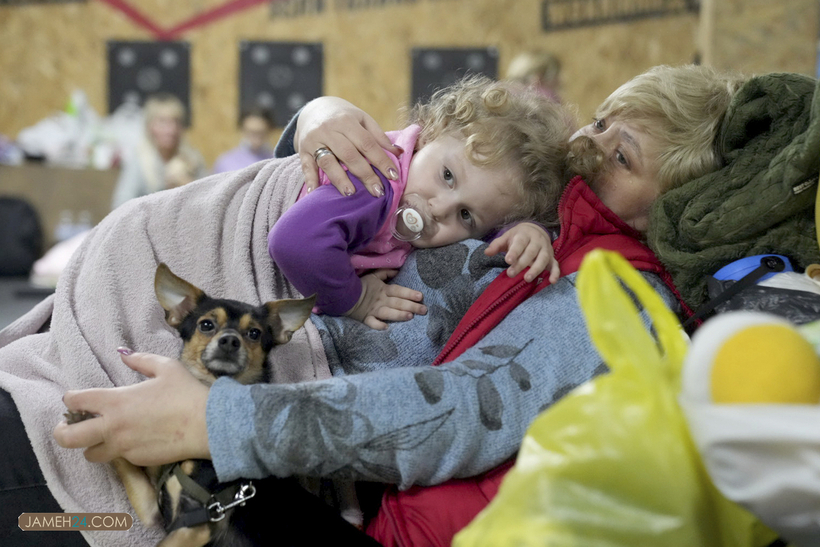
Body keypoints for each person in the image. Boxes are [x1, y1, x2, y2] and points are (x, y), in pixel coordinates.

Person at [43, 65, 760, 546]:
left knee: (50, 478)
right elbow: (342, 202)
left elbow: (458, 406)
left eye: (623, 151)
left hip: (287, 437)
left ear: (674, 205)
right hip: (222, 322)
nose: (588, 142)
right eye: (601, 119)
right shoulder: (551, 224)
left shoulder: (609, 286)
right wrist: (319, 120)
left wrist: (213, 419)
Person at [269, 75, 571, 329]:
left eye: (465, 215)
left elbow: (492, 225)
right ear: (428, 134)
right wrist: (356, 299)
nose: (440, 208)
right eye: (448, 176)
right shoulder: (376, 183)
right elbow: (293, 242)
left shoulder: (426, 178)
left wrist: (527, 231)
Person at [110, 93, 207, 210]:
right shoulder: (139, 160)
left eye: (175, 122)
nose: (170, 130)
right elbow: (120, 206)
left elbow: (209, 201)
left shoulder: (193, 159)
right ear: (150, 126)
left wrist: (186, 183)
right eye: (162, 122)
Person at [212, 107, 276, 174]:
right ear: (242, 130)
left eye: (261, 133)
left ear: (270, 130)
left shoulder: (275, 161)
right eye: (252, 133)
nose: (256, 139)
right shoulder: (225, 162)